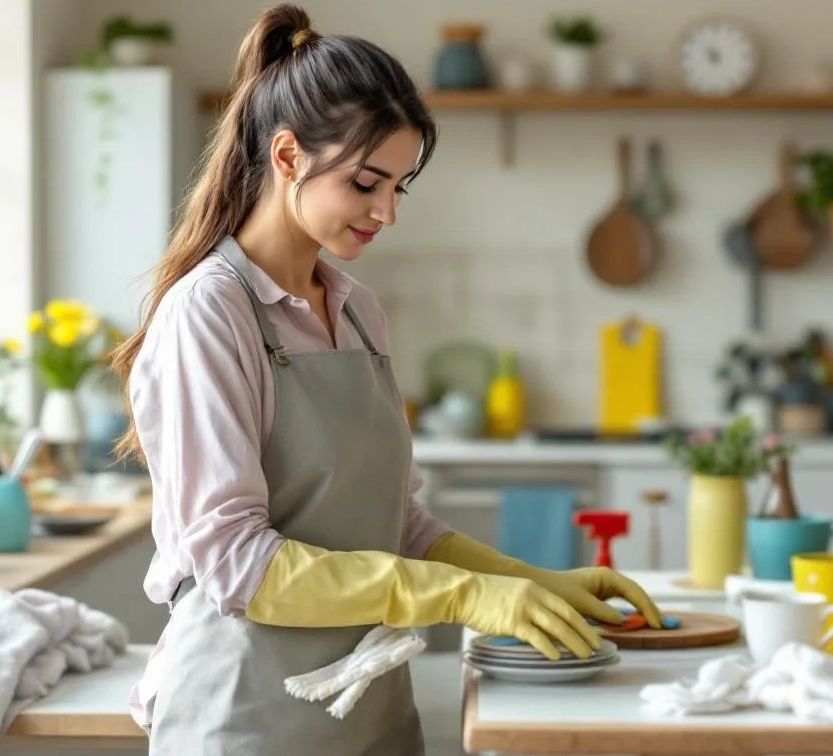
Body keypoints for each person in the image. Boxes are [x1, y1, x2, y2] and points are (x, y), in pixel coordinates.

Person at [109, 5, 664, 754]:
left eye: (400, 186)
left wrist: (531, 581)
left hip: (372, 712)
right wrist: (468, 596)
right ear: (287, 157)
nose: (387, 212)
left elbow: (395, 527)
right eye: (368, 183)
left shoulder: (357, 307)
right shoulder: (210, 313)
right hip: (245, 717)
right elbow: (237, 563)